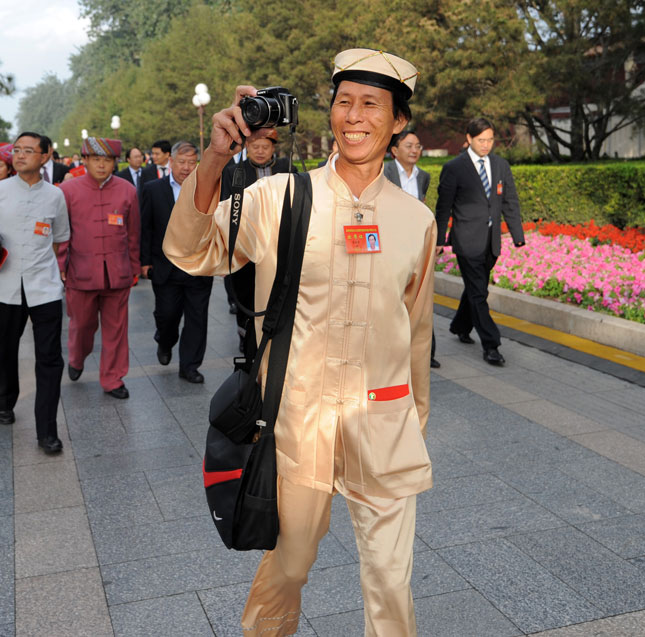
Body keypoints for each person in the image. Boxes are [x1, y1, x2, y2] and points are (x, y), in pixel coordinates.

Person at [163, 48, 436, 636]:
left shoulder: (416, 220)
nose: (354, 116)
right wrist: (216, 156)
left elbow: (416, 331)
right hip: (299, 423)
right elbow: (191, 250)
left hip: (382, 424)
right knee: (288, 566)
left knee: (391, 582)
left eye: (371, 104)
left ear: (399, 122)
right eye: (344, 102)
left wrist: (414, 416)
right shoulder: (280, 198)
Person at [0, 132, 70, 454]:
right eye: (17, 150)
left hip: (45, 288)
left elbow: (59, 237)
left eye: (29, 150)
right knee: (4, 350)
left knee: (50, 360)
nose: (20, 155)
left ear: (45, 156)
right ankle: (4, 401)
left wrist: (46, 266)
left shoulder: (55, 196)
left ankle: (47, 432)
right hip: (6, 287)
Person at [435, 117, 525, 366]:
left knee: (476, 289)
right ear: (469, 139)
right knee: (478, 292)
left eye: (490, 140)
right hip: (466, 240)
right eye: (481, 140)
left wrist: (517, 235)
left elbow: (510, 201)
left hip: (491, 241)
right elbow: (444, 208)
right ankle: (491, 345)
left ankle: (459, 326)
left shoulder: (500, 165)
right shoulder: (454, 168)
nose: (486, 145)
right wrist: (439, 238)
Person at [57, 137, 140, 399]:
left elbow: (134, 233)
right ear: (85, 161)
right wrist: (61, 264)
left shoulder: (127, 190)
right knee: (82, 325)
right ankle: (77, 357)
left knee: (116, 329)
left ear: (115, 163)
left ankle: (113, 379)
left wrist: (135, 266)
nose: (101, 165)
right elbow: (61, 234)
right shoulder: (68, 191)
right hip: (80, 272)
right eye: (95, 159)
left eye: (107, 160)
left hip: (118, 271)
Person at [220, 128, 297, 360]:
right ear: (247, 148)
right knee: (246, 293)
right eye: (255, 147)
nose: (260, 151)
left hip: (280, 245)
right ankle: (246, 335)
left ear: (274, 148)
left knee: (279, 292)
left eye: (265, 146)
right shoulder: (234, 172)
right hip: (246, 245)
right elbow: (226, 208)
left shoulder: (287, 169)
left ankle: (275, 334)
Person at [141, 141, 212, 384]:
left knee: (197, 318)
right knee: (167, 314)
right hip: (165, 266)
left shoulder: (206, 189)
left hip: (199, 265)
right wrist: (144, 261)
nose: (186, 167)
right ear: (171, 162)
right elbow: (146, 227)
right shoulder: (152, 189)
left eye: (192, 162)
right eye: (181, 162)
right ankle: (164, 340)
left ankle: (190, 366)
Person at [384, 130, 441, 368]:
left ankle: (425, 352)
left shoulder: (423, 176)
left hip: (416, 245)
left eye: (418, 146)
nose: (414, 150)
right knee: (392, 298)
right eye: (409, 146)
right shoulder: (384, 172)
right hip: (390, 244)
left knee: (420, 299)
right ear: (395, 150)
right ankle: (393, 349)